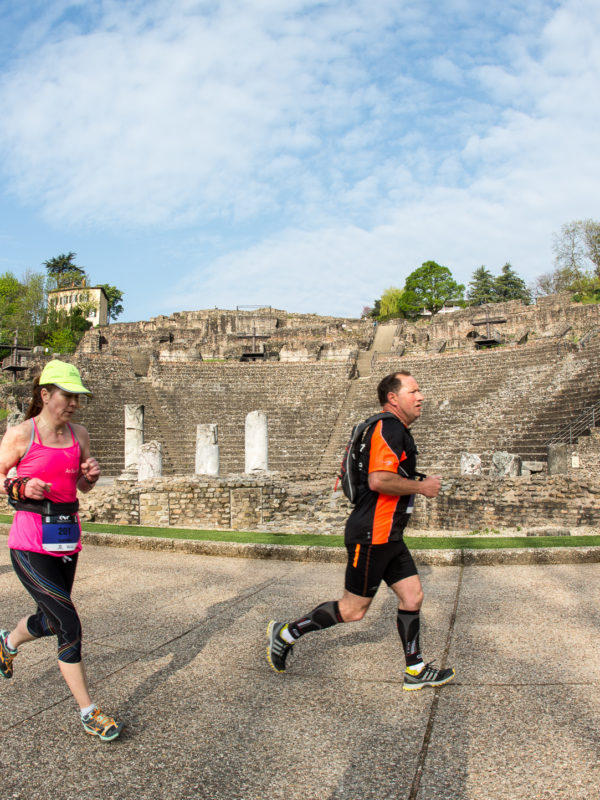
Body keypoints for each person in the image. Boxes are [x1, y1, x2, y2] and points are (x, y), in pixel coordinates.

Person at [266, 371, 455, 691]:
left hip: (389, 535)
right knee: (353, 610)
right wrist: (422, 487)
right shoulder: (388, 426)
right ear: (393, 398)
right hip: (372, 534)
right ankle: (285, 634)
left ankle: (415, 669)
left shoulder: (393, 428)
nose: (421, 397)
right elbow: (378, 480)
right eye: (414, 391)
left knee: (413, 596)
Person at [0, 360, 123, 740]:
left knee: (52, 619)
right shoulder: (21, 435)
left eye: (77, 397)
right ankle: (89, 711)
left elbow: (80, 489)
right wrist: (21, 488)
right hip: (28, 543)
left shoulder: (80, 435)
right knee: (68, 623)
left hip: (67, 539)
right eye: (67, 396)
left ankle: (7, 642)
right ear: (45, 395)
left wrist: (90, 478)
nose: (73, 403)